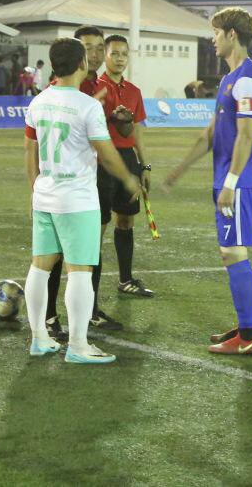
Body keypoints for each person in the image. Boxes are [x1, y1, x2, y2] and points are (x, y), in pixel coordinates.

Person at [23, 37, 144, 363]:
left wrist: (35, 188)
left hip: (45, 196)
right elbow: (107, 153)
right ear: (81, 64)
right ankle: (78, 346)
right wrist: (129, 177)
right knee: (80, 271)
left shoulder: (38, 102)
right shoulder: (87, 106)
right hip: (77, 200)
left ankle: (39, 338)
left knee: (40, 267)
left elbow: (29, 149)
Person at [165, 6, 252, 355]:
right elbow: (210, 134)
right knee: (229, 252)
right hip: (227, 179)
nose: (213, 40)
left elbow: (246, 135)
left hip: (239, 181)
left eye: (216, 33)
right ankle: (244, 325)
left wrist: (231, 182)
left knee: (233, 252)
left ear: (232, 35)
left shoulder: (248, 80)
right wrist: (181, 169)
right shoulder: (228, 80)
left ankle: (249, 336)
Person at [42, 25, 123, 342]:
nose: (96, 54)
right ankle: (49, 316)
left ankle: (89, 310)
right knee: (57, 250)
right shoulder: (62, 88)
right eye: (89, 47)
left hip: (96, 175)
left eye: (100, 47)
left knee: (92, 246)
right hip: (66, 179)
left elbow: (111, 134)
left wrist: (121, 121)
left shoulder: (102, 87)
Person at [97, 34, 154, 297]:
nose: (120, 59)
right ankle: (90, 293)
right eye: (115, 54)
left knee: (126, 220)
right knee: (98, 225)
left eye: (124, 54)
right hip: (102, 161)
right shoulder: (95, 88)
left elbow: (138, 132)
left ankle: (125, 280)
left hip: (128, 159)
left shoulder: (134, 91)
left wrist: (144, 166)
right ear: (105, 56)